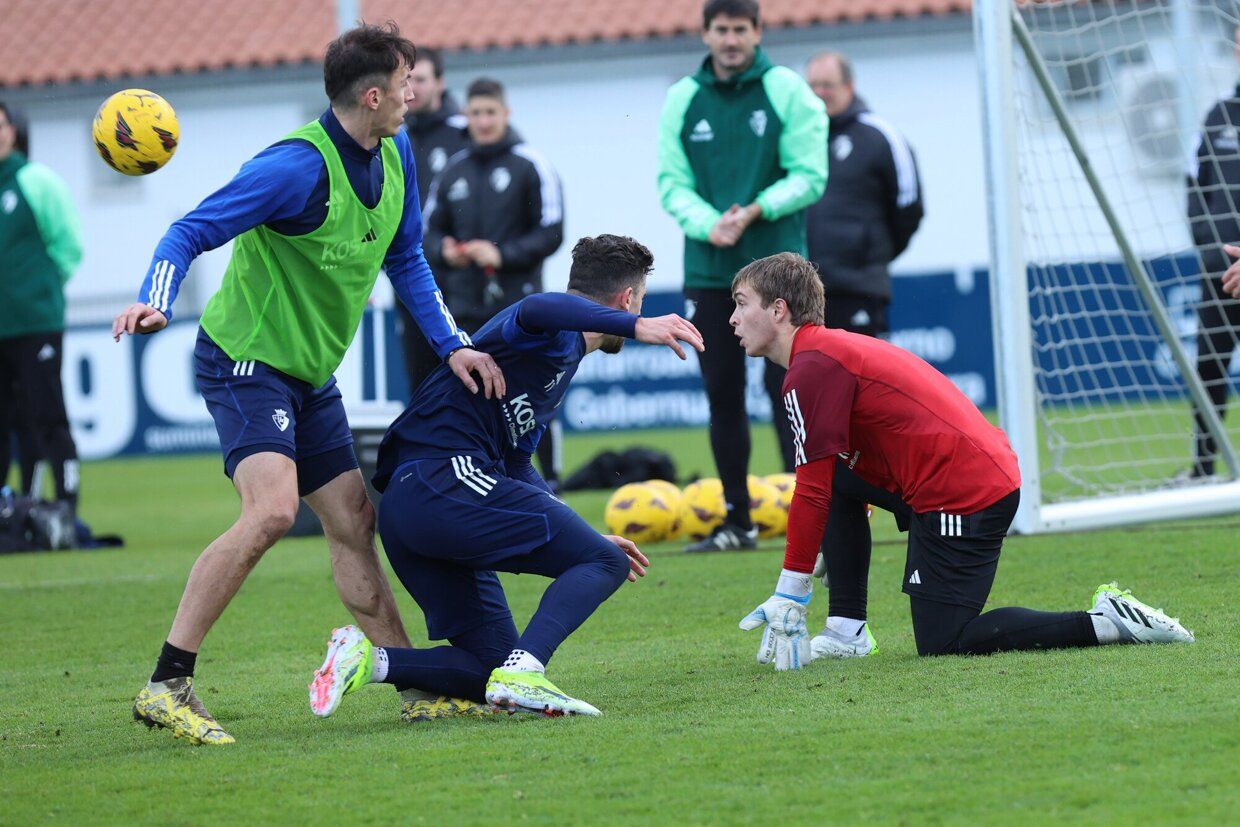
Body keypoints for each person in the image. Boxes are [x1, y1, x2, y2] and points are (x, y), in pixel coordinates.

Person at [117, 23, 505, 745]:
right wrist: (157, 300)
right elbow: (187, 231)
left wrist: (453, 344)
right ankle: (166, 685)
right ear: (372, 95)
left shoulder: (396, 151)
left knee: (355, 520)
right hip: (245, 361)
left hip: (308, 374)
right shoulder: (293, 168)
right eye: (406, 82)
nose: (415, 92)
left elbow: (406, 258)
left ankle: (417, 685)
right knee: (270, 512)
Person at [729, 253, 1194, 670]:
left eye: (741, 303)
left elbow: (812, 490)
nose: (732, 318)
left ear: (778, 309)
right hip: (950, 477)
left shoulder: (812, 366)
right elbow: (832, 475)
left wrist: (791, 593)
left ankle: (1107, 622)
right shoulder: (820, 353)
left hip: (966, 492)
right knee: (832, 476)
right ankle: (846, 632)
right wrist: (838, 534)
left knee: (945, 641)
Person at [306, 235, 704, 718]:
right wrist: (637, 326)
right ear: (627, 299)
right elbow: (537, 306)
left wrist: (578, 532)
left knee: (488, 668)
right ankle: (527, 672)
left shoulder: (562, 359)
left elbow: (516, 465)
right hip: (442, 482)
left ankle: (366, 660)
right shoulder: (550, 330)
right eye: (638, 304)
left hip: (420, 507)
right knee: (606, 563)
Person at [657, 0, 827, 551]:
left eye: (740, 29)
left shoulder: (786, 89)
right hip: (711, 271)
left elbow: (810, 174)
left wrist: (757, 209)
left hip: (781, 274)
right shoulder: (683, 97)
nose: (730, 40)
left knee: (791, 392)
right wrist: (710, 224)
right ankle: (738, 523)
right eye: (721, 30)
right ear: (705, 34)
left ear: (757, 32)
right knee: (722, 395)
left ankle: (812, 517)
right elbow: (671, 182)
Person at [423, 76, 566, 488]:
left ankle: (551, 481)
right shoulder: (452, 170)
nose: (483, 121)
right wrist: (443, 250)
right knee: (472, 398)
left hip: (521, 306)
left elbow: (552, 231)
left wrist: (503, 255)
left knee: (532, 395)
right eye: (476, 114)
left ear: (506, 113)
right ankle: (481, 479)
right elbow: (427, 232)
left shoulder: (530, 163)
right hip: (464, 305)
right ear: (465, 117)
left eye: (490, 112)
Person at [0, 100, 82, 542]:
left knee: (47, 415)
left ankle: (65, 506)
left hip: (35, 323)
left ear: (14, 131)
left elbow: (67, 246)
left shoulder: (36, 181)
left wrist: (38, 292)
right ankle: (13, 511)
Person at [804, 52, 923, 337]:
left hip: (857, 289)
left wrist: (868, 253)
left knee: (858, 367)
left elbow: (909, 206)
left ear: (849, 86)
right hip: (800, 293)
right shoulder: (797, 137)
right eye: (813, 86)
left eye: (828, 85)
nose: (820, 93)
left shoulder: (880, 135)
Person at [396, 46, 470, 397]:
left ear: (440, 83)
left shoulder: (465, 133)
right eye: (407, 80)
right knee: (422, 384)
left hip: (462, 280)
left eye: (422, 79)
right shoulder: (391, 134)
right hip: (410, 273)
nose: (414, 89)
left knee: (470, 377)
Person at [1185, 42, 1240, 479]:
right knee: (1208, 368)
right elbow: (1194, 185)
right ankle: (1203, 469)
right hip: (1221, 273)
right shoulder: (1217, 115)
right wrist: (1208, 246)